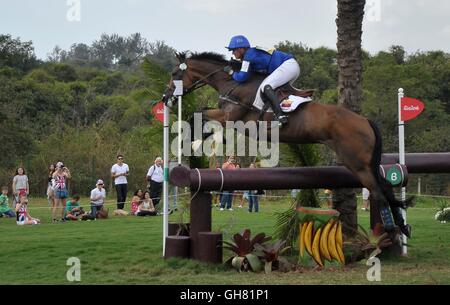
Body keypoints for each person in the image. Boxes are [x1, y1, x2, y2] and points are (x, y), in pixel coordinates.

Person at [225, 35, 300, 126]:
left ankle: (280, 116)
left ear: (241, 48)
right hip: (290, 66)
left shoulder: (248, 55)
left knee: (266, 86)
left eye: (233, 50)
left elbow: (242, 77)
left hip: (288, 66)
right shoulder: (251, 53)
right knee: (275, 91)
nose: (232, 53)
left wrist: (231, 72)